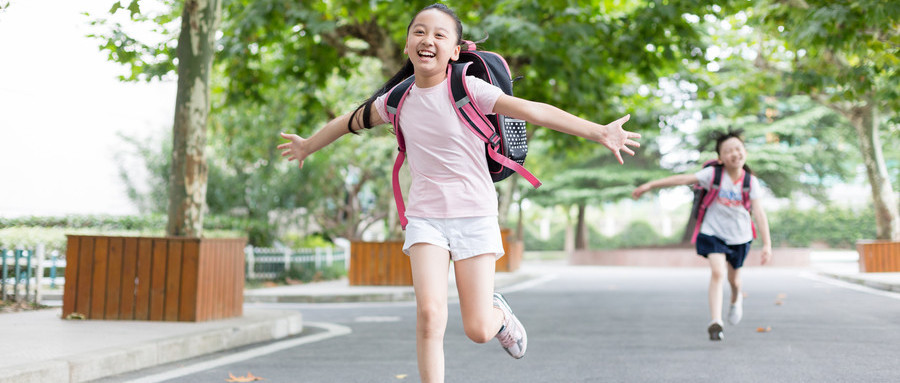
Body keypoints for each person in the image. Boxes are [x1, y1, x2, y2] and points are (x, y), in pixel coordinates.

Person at [278, 3, 641, 381]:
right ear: (407, 45)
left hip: (474, 213)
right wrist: (308, 145)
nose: (427, 40)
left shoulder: (467, 87)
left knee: (478, 329)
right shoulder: (397, 99)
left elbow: (535, 111)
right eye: (419, 32)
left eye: (439, 34)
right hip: (425, 218)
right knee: (429, 314)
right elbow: (349, 121)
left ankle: (499, 315)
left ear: (454, 50)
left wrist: (599, 131)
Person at [632, 130, 772, 341]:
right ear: (720, 158)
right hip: (713, 232)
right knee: (718, 272)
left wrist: (767, 244)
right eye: (728, 151)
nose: (734, 154)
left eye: (738, 149)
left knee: (735, 281)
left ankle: (735, 300)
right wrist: (651, 185)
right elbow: (683, 179)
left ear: (744, 152)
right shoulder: (713, 175)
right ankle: (716, 321)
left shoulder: (751, 182)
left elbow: (759, 213)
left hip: (740, 236)